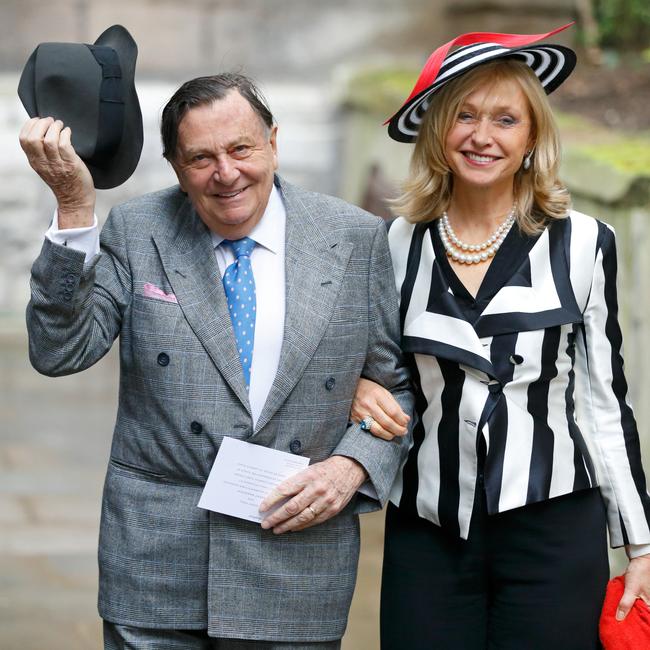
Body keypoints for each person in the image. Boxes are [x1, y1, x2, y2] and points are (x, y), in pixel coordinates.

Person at [20, 71, 413, 648]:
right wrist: (76, 208)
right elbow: (60, 351)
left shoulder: (353, 237)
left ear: (274, 143)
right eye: (201, 158)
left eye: (241, 149)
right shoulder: (139, 229)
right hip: (158, 565)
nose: (226, 173)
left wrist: (350, 467)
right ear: (176, 169)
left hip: (296, 562)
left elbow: (397, 387)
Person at [350, 24, 650, 649]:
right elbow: (364, 362)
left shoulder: (586, 243)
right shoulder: (392, 245)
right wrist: (353, 387)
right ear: (437, 130)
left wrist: (640, 544)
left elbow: (604, 402)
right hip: (428, 532)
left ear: (532, 136)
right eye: (464, 115)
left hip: (555, 533)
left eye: (505, 119)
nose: (482, 136)